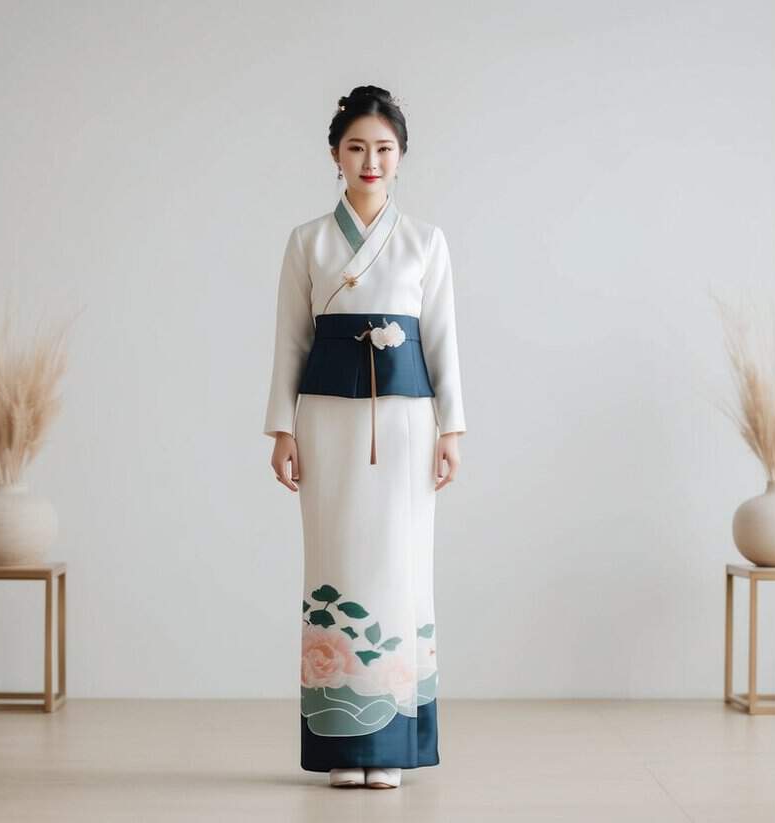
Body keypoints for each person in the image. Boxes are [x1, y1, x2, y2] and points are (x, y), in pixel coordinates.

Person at [263, 84, 466, 790]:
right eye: (357, 147)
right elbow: (290, 341)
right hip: (327, 419)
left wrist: (452, 429)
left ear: (400, 157)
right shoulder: (308, 241)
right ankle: (340, 744)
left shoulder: (424, 241)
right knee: (337, 560)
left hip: (407, 427)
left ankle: (392, 747)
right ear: (335, 155)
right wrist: (282, 428)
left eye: (383, 149)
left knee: (399, 564)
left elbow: (441, 340)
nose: (370, 160)